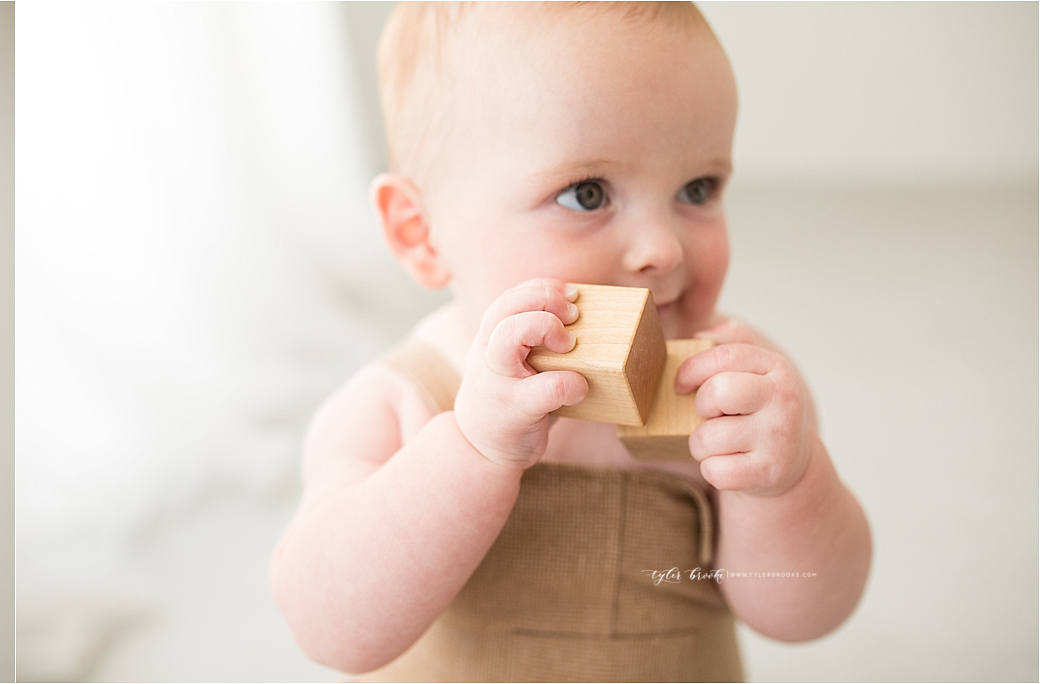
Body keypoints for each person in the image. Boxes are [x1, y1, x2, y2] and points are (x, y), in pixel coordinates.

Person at [268, 3, 872, 680]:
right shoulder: (399, 402)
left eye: (696, 188)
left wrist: (786, 487)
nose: (661, 248)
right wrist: (473, 449)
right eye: (587, 194)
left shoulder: (733, 392)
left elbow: (807, 613)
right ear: (421, 232)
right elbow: (331, 629)